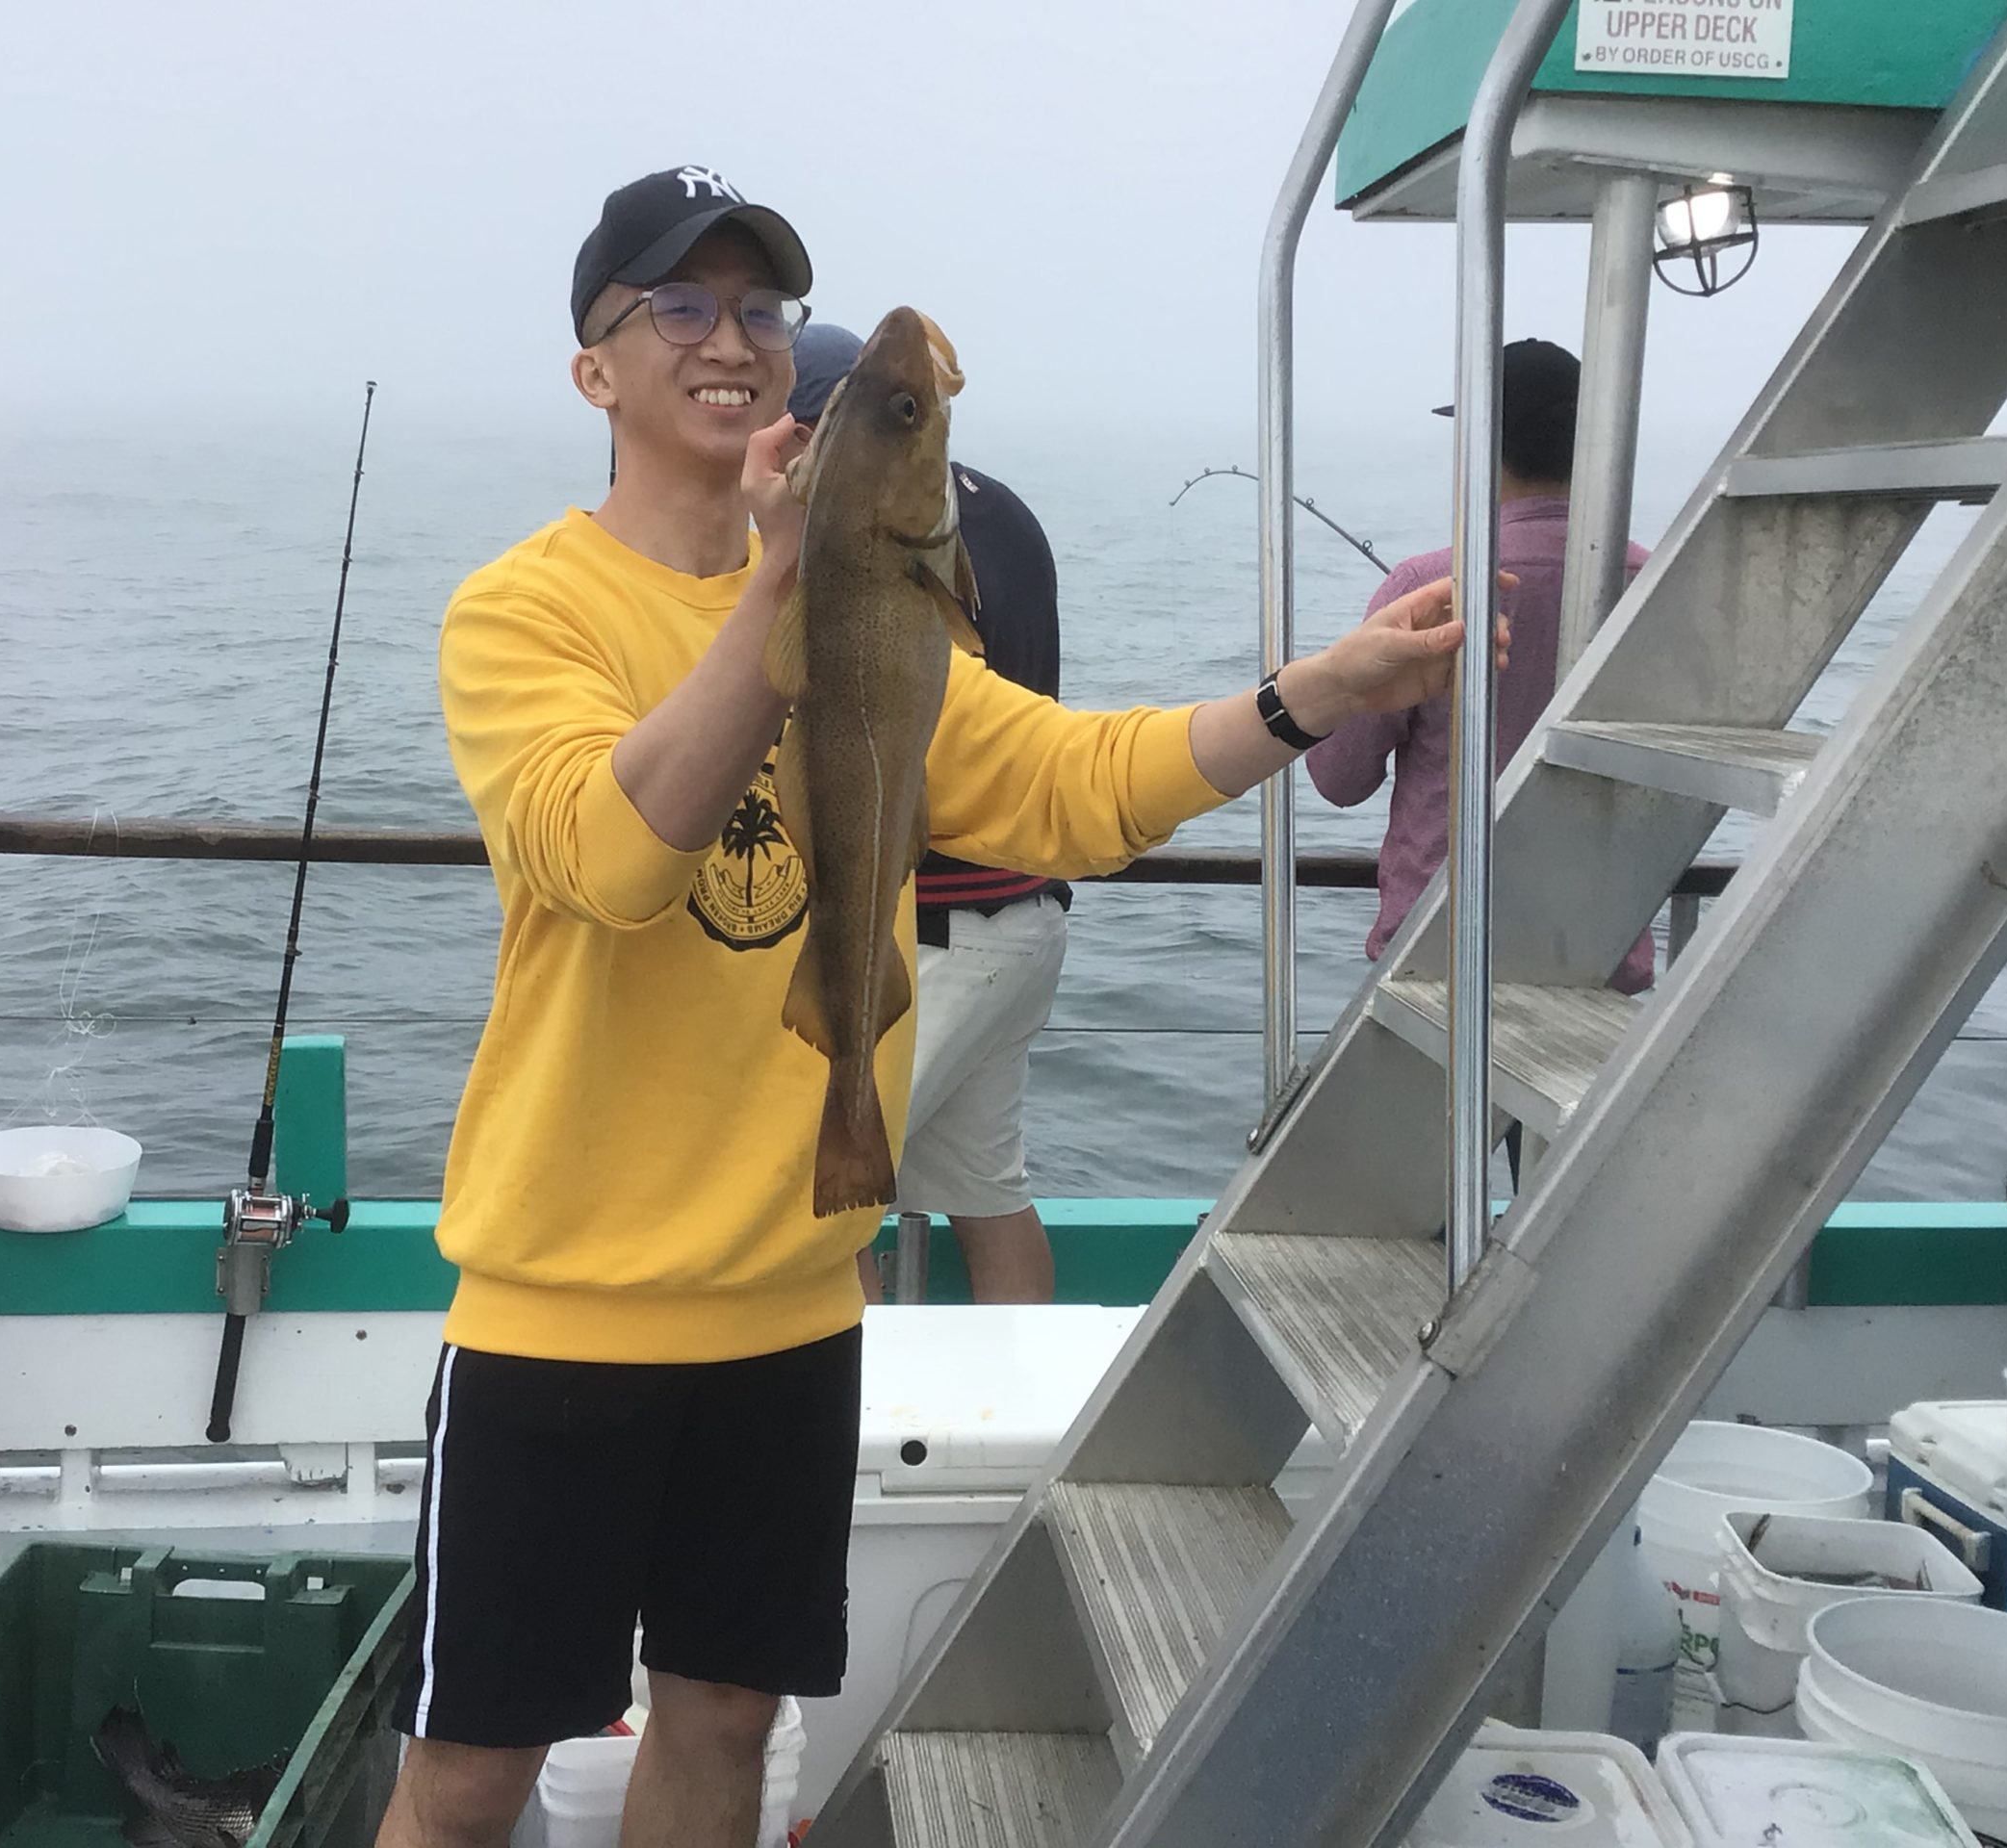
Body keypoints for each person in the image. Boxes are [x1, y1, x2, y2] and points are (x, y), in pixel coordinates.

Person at [378, 164, 1499, 1848]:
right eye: (678, 306)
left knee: (725, 1725)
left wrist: (1309, 694)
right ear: (594, 368)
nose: (730, 338)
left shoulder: (893, 613)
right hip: (568, 1311)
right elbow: (611, 856)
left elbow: (1071, 785)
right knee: (472, 1775)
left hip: (792, 1305)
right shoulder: (525, 609)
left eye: (761, 308)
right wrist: (782, 584)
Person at [788, 321, 1066, 1305]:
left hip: (939, 922)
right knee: (989, 1193)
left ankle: (845, 1396)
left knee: (820, 1210)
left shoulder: (866, 529)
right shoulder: (998, 512)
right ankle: (1026, 1404)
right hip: (1028, 915)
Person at [1308, 336, 1657, 995]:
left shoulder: (1426, 587)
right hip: (1601, 952)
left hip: (1440, 952)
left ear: (1482, 445)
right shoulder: (1654, 586)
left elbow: (1340, 779)